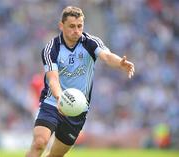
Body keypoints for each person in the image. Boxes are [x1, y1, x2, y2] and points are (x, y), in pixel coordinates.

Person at [26, 6, 135, 157]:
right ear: (61, 26)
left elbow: (106, 56)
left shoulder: (90, 42)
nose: (76, 30)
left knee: (55, 155)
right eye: (71, 26)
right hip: (52, 102)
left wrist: (119, 63)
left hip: (77, 109)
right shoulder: (51, 48)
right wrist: (59, 98)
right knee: (39, 143)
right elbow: (53, 79)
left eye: (79, 26)